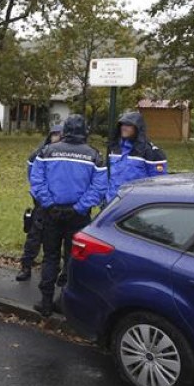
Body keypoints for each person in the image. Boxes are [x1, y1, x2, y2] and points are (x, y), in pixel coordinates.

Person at [28, 115, 107, 317]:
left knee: (50, 257)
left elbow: (36, 180)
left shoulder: (47, 151)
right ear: (85, 131)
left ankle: (45, 302)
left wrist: (49, 204)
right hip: (78, 216)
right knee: (73, 259)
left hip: (51, 213)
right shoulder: (94, 155)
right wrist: (79, 208)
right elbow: (99, 188)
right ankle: (65, 302)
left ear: (64, 130)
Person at [16, 124, 63, 281]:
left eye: (60, 135)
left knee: (55, 238)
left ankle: (53, 269)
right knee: (34, 235)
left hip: (58, 202)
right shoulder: (38, 154)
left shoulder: (65, 155)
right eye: (54, 134)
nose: (57, 137)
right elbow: (33, 177)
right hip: (41, 201)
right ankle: (26, 266)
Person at [106, 111, 167, 202]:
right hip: (111, 202)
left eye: (128, 125)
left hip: (134, 204)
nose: (124, 128)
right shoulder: (115, 148)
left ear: (137, 128)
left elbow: (157, 184)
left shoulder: (151, 152)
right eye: (122, 125)